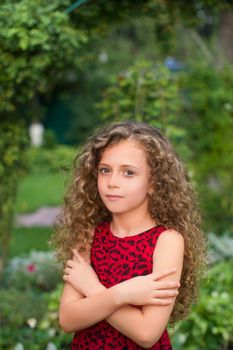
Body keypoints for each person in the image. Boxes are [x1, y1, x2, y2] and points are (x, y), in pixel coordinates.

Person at [53, 121, 206, 349]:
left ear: (154, 183)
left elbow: (146, 333)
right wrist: (123, 294)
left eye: (128, 173)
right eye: (105, 170)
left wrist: (93, 289)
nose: (112, 183)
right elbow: (68, 319)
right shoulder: (89, 234)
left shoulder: (167, 241)